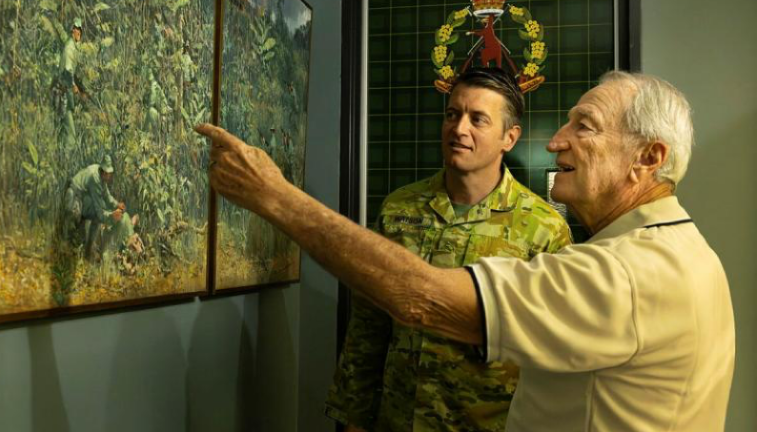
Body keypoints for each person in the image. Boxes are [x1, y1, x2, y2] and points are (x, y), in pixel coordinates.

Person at [196, 71, 735, 431]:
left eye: (584, 126)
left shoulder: (623, 269)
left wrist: (273, 194)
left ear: (648, 157)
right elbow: (371, 325)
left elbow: (422, 299)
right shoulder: (688, 253)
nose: (556, 141)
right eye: (453, 114)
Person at [324, 68, 571, 431]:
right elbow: (369, 324)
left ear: (509, 137)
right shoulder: (400, 209)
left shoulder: (544, 228)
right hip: (398, 419)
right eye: (452, 114)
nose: (459, 129)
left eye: (478, 119)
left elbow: (555, 354)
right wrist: (354, 418)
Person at [64, 155, 126, 259]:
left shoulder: (101, 177)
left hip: (83, 198)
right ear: (103, 171)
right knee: (75, 219)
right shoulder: (95, 178)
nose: (109, 176)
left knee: (94, 218)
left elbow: (106, 195)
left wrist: (116, 204)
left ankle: (88, 251)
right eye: (107, 173)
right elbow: (99, 211)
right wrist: (111, 216)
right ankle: (69, 251)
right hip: (73, 196)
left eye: (110, 173)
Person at [56, 18, 84, 148]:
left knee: (63, 131)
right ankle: (66, 161)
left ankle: (62, 161)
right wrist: (73, 86)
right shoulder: (69, 48)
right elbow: (67, 70)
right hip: (64, 92)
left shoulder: (74, 47)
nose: (78, 33)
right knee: (71, 135)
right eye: (76, 30)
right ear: (72, 31)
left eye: (80, 31)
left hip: (66, 92)